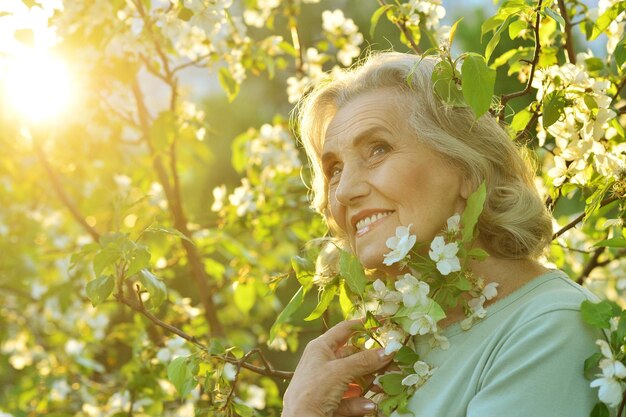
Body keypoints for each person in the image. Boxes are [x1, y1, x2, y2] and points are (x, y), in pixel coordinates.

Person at [281, 52, 603, 417]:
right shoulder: (396, 350)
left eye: (377, 149)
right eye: (335, 169)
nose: (343, 191)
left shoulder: (550, 328)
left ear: (467, 167)